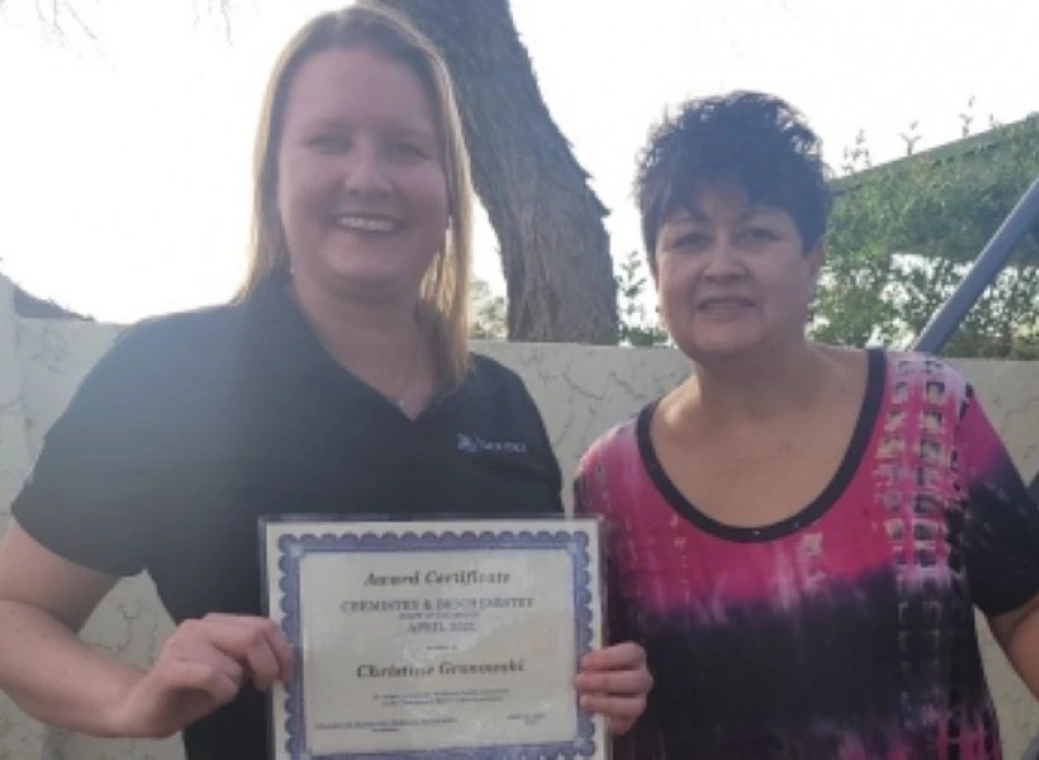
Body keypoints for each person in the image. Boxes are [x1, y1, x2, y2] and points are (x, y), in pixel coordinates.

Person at [0, 5, 650, 758]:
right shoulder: (167, 375)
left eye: (407, 148)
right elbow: (15, 611)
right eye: (328, 141)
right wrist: (133, 699)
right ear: (273, 173)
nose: (367, 178)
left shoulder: (500, 398)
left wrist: (598, 684)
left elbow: (526, 649)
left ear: (448, 189)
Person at [572, 91, 1039, 759]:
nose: (720, 265)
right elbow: (589, 679)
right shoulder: (610, 482)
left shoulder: (928, 415)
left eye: (756, 232)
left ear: (813, 257)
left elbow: (1032, 604)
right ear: (657, 268)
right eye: (689, 238)